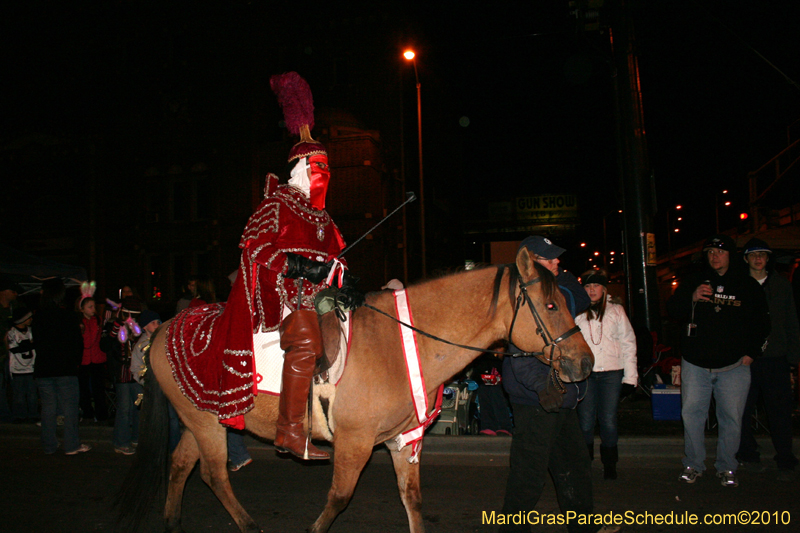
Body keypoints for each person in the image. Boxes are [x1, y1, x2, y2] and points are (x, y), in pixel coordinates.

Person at [178, 71, 361, 461]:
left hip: (322, 299)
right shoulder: (277, 205)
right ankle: (291, 431)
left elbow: (337, 259)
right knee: (308, 339)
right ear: (300, 169)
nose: (323, 174)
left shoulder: (325, 220)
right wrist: (307, 269)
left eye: (326, 168)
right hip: (281, 299)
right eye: (317, 167)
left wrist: (339, 275)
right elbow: (256, 250)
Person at [500, 236, 616, 533]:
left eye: (556, 258)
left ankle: (584, 527)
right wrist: (543, 386)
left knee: (575, 467)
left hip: (558, 397)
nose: (557, 262)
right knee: (529, 473)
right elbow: (520, 354)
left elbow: (576, 296)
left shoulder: (547, 291)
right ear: (529, 262)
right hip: (538, 400)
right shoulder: (523, 299)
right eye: (548, 258)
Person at [667, 234, 770, 488]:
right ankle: (693, 464)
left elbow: (762, 324)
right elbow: (672, 311)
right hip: (696, 364)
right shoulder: (694, 281)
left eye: (720, 252)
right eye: (710, 252)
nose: (715, 257)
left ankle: (727, 467)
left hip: (733, 366)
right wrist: (690, 297)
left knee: (731, 418)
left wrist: (751, 353)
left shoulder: (747, 285)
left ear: (730, 255)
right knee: (692, 415)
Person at [736, 238, 799, 480]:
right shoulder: (739, 285)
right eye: (753, 255)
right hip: (746, 360)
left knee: (780, 411)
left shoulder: (782, 285)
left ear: (768, 258)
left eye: (763, 254)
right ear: (746, 259)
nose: (758, 259)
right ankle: (747, 453)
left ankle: (785, 456)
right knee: (742, 410)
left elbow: (791, 320)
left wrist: (792, 357)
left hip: (776, 358)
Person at [575, 269, 637, 480]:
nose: (592, 290)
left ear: (604, 289)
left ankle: (610, 464)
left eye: (596, 286)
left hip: (612, 373)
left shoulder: (616, 311)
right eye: (588, 286)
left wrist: (630, 378)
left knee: (608, 420)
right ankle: (584, 463)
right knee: (585, 421)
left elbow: (629, 343)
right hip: (586, 374)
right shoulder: (577, 312)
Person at [33, 278, 89, 455]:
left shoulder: (39, 316)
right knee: (69, 408)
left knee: (48, 408)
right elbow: (77, 344)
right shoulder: (69, 316)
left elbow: (38, 343)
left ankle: (49, 444)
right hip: (65, 369)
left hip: (44, 368)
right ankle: (71, 445)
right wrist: (75, 363)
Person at [101, 296, 144, 455]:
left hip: (137, 375)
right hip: (122, 375)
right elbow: (104, 346)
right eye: (128, 314)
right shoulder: (113, 325)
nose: (131, 318)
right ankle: (121, 442)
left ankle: (136, 438)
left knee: (139, 405)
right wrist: (116, 328)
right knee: (124, 408)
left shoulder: (138, 327)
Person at [77, 291, 109, 422]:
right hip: (83, 359)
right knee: (83, 389)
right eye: (89, 307)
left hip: (97, 358)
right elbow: (86, 343)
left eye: (94, 306)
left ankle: (101, 415)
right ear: (82, 308)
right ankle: (87, 413)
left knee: (98, 389)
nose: (93, 309)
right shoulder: (79, 322)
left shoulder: (98, 321)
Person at [7, 304, 38, 422]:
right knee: (19, 395)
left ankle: (33, 415)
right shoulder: (12, 333)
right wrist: (29, 344)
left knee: (32, 395)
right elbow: (14, 348)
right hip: (17, 369)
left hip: (31, 368)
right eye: (29, 317)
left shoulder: (31, 331)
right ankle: (19, 416)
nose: (31, 320)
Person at [0, 278, 21, 422]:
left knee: (17, 385)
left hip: (16, 355)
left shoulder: (17, 308)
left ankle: (18, 414)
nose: (15, 294)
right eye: (12, 291)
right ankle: (5, 415)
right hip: (1, 354)